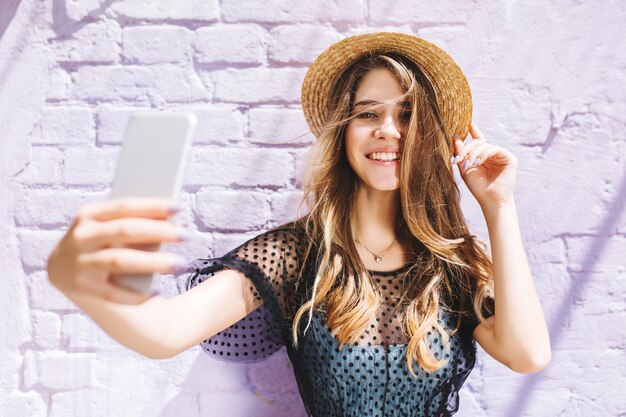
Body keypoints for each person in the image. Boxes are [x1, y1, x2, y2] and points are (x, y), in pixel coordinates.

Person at [46, 32, 551, 416]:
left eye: (408, 114)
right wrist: (80, 281)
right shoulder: (293, 255)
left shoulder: (455, 264)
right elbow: (163, 333)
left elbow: (527, 355)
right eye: (367, 113)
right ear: (343, 132)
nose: (388, 131)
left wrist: (498, 207)